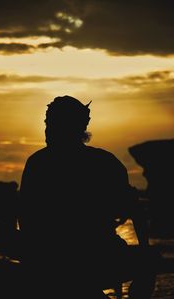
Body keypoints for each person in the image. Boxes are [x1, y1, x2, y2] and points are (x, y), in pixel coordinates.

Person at [18, 95, 158, 299]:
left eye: (53, 123)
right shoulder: (104, 161)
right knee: (151, 258)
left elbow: (25, 215)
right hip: (81, 253)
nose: (47, 129)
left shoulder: (38, 163)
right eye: (47, 123)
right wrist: (144, 249)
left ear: (72, 127)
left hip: (73, 255)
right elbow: (135, 210)